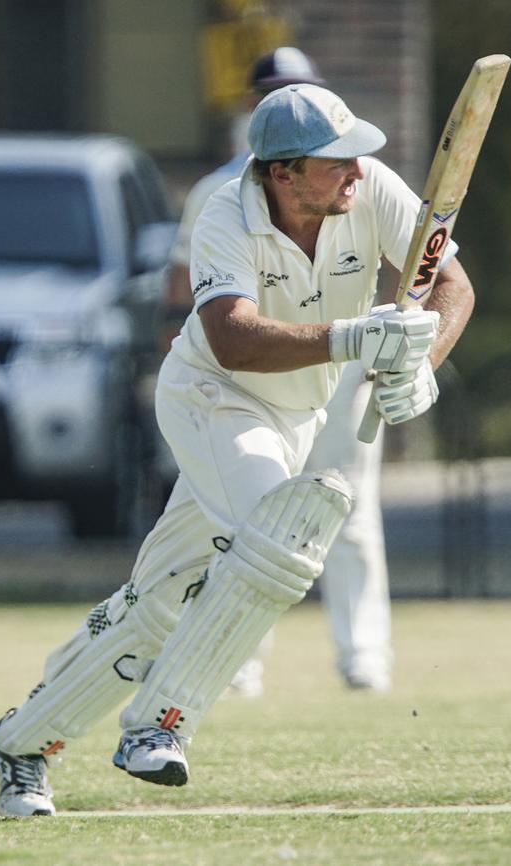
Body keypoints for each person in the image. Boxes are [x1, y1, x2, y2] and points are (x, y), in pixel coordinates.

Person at [0, 82, 474, 817]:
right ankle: (159, 720)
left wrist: (421, 369)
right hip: (213, 398)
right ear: (283, 172)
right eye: (337, 160)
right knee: (281, 536)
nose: (357, 170)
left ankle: (22, 744)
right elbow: (232, 338)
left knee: (157, 607)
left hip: (294, 415)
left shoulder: (369, 191)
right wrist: (351, 339)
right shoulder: (226, 215)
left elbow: (451, 287)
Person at [165, 48, 392, 694]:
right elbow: (183, 289)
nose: (289, 99)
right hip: (247, 387)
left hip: (340, 371)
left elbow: (413, 262)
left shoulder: (355, 179)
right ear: (252, 106)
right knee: (246, 519)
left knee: (349, 510)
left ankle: (362, 655)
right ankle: (241, 659)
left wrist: (403, 351)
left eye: (301, 88)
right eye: (274, 90)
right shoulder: (217, 194)